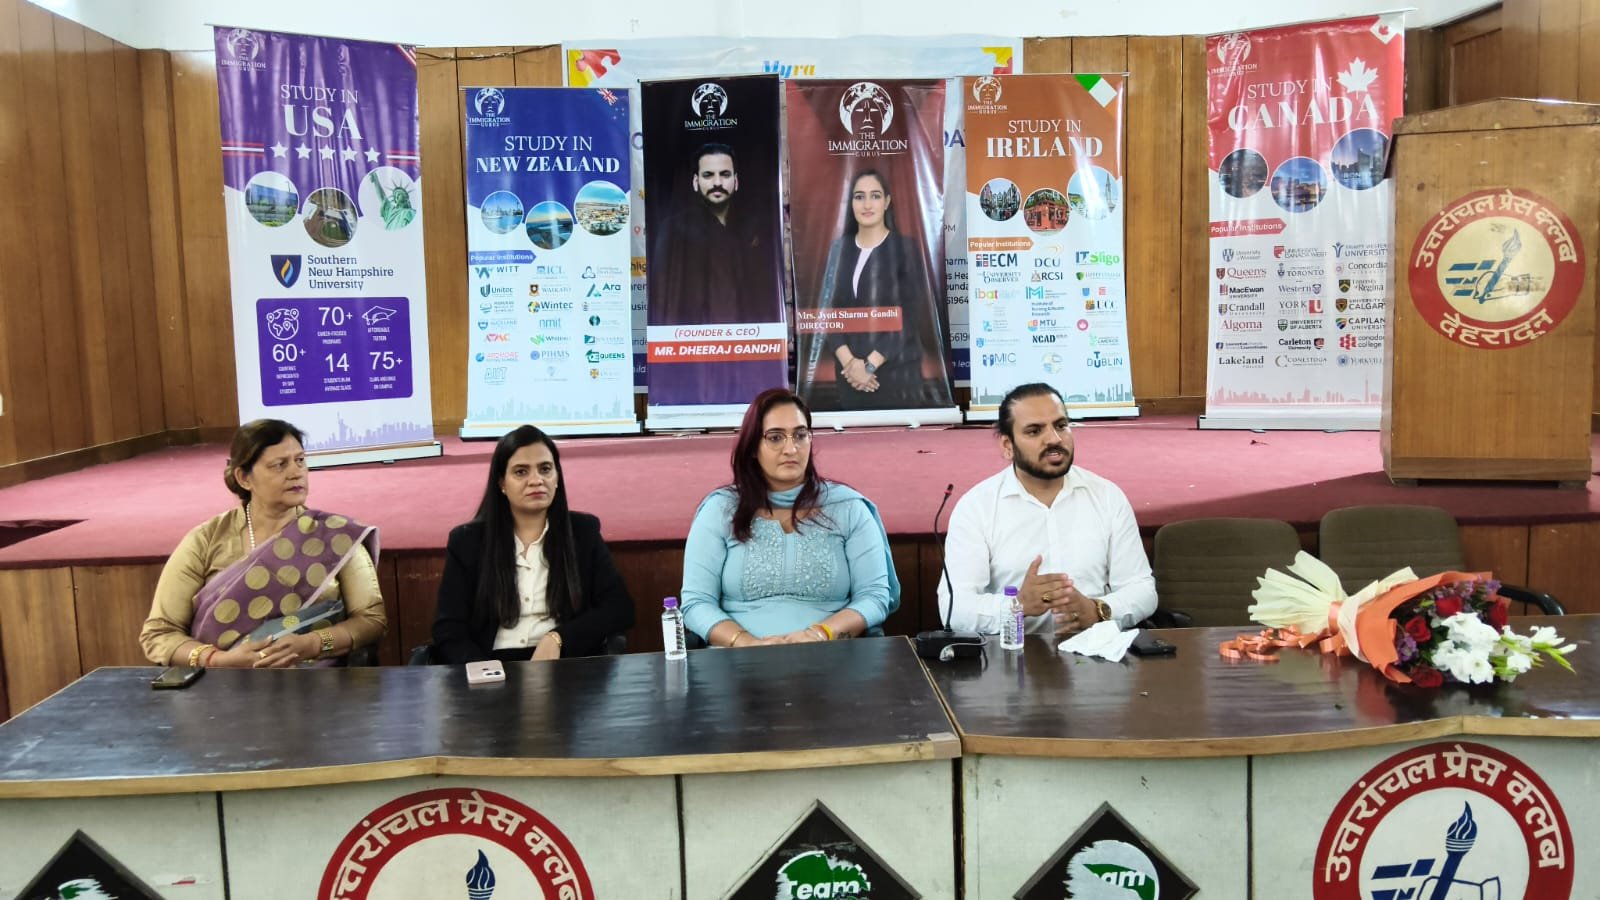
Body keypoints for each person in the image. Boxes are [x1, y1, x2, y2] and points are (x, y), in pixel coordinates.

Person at [140, 419, 385, 668]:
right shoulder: (205, 540)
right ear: (244, 478)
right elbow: (160, 633)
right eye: (280, 465)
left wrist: (315, 643)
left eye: (300, 460)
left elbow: (371, 620)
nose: (296, 472)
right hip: (223, 684)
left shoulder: (334, 536)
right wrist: (218, 660)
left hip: (317, 683)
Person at [681, 388, 900, 646]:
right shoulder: (721, 510)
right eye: (775, 438)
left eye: (800, 435)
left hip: (831, 655)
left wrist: (820, 634)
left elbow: (874, 597)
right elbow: (697, 603)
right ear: (753, 447)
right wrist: (747, 644)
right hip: (737, 660)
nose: (791, 448)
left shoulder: (848, 508)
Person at [939, 383, 1156, 639]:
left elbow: (1142, 589)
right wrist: (1017, 605)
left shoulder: (1107, 496)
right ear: (1007, 446)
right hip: (1010, 655)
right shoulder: (977, 507)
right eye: (1034, 431)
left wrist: (1098, 610)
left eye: (1061, 425)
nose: (1054, 439)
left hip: (1097, 653)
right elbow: (953, 608)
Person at [432, 426, 634, 663]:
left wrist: (557, 638)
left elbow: (619, 608)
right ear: (501, 483)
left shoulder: (582, 532)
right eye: (521, 472)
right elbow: (448, 629)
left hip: (563, 666)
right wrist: (484, 671)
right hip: (492, 667)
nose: (536, 480)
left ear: (557, 478)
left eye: (545, 469)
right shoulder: (468, 541)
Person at [815, 169, 945, 410]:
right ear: (851, 203)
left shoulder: (904, 248)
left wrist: (868, 366)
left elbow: (909, 316)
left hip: (896, 372)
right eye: (859, 196)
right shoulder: (839, 250)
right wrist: (850, 364)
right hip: (849, 375)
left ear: (886, 202)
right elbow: (830, 313)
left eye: (875, 196)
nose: (867, 204)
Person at [647, 142, 781, 327]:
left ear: (736, 181)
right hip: (693, 338)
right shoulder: (675, 229)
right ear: (696, 182)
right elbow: (662, 298)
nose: (717, 182)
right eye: (708, 175)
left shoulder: (756, 229)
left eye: (725, 174)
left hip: (749, 336)